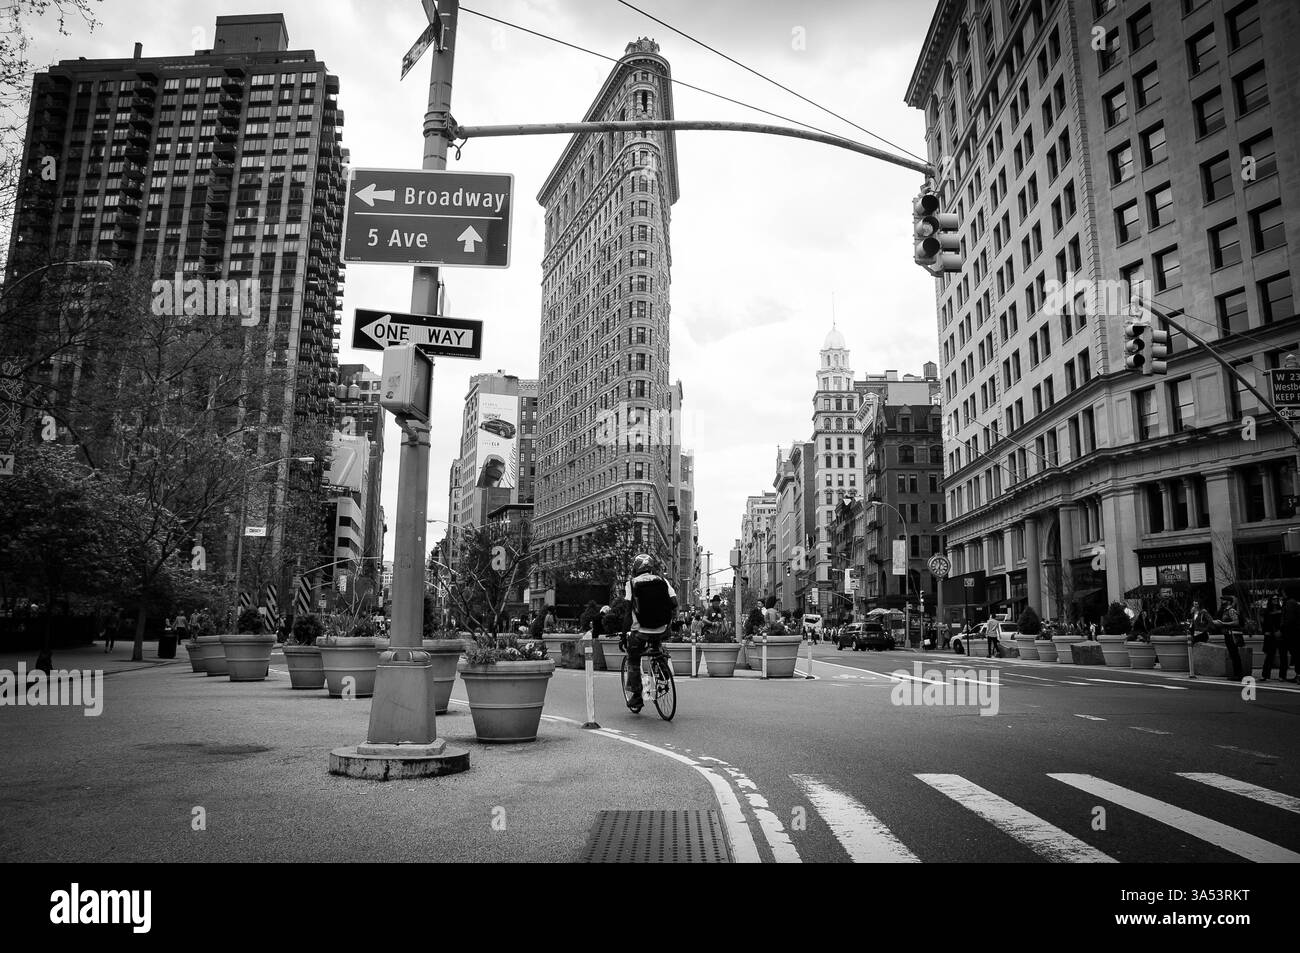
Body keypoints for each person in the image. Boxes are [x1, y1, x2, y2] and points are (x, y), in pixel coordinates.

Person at [622, 553, 678, 712]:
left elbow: (627, 611)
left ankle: (637, 696)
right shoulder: (663, 581)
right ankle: (662, 670)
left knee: (633, 659)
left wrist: (623, 634)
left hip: (640, 630)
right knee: (657, 648)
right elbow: (674, 603)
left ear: (635, 569)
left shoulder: (631, 584)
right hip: (660, 628)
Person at [1260, 596, 1287, 682]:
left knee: (1283, 655)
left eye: (1276, 599)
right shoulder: (1267, 611)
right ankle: (1265, 675)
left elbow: (1284, 622)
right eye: (1273, 599)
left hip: (1281, 635)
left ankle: (1282, 676)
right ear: (1271, 601)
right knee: (1269, 655)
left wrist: (1281, 631)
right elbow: (1265, 623)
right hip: (1271, 635)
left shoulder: (1282, 610)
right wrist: (1266, 632)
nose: (1275, 600)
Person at [1218, 597, 1244, 681]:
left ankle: (1238, 674)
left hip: (1232, 635)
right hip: (1227, 635)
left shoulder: (1231, 610)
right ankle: (1236, 674)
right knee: (1232, 654)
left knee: (1235, 654)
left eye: (1223, 600)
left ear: (1228, 602)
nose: (1222, 601)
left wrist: (1223, 623)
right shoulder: (1224, 610)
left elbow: (1236, 622)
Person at [1281, 589, 1300, 684]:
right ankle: (1298, 675)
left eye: (1283, 593)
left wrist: (1284, 630)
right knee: (1296, 654)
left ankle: (1299, 676)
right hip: (1294, 632)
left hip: (1292, 633)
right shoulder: (1294, 603)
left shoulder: (1290, 603)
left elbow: (1289, 619)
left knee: (1296, 654)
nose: (1282, 595)